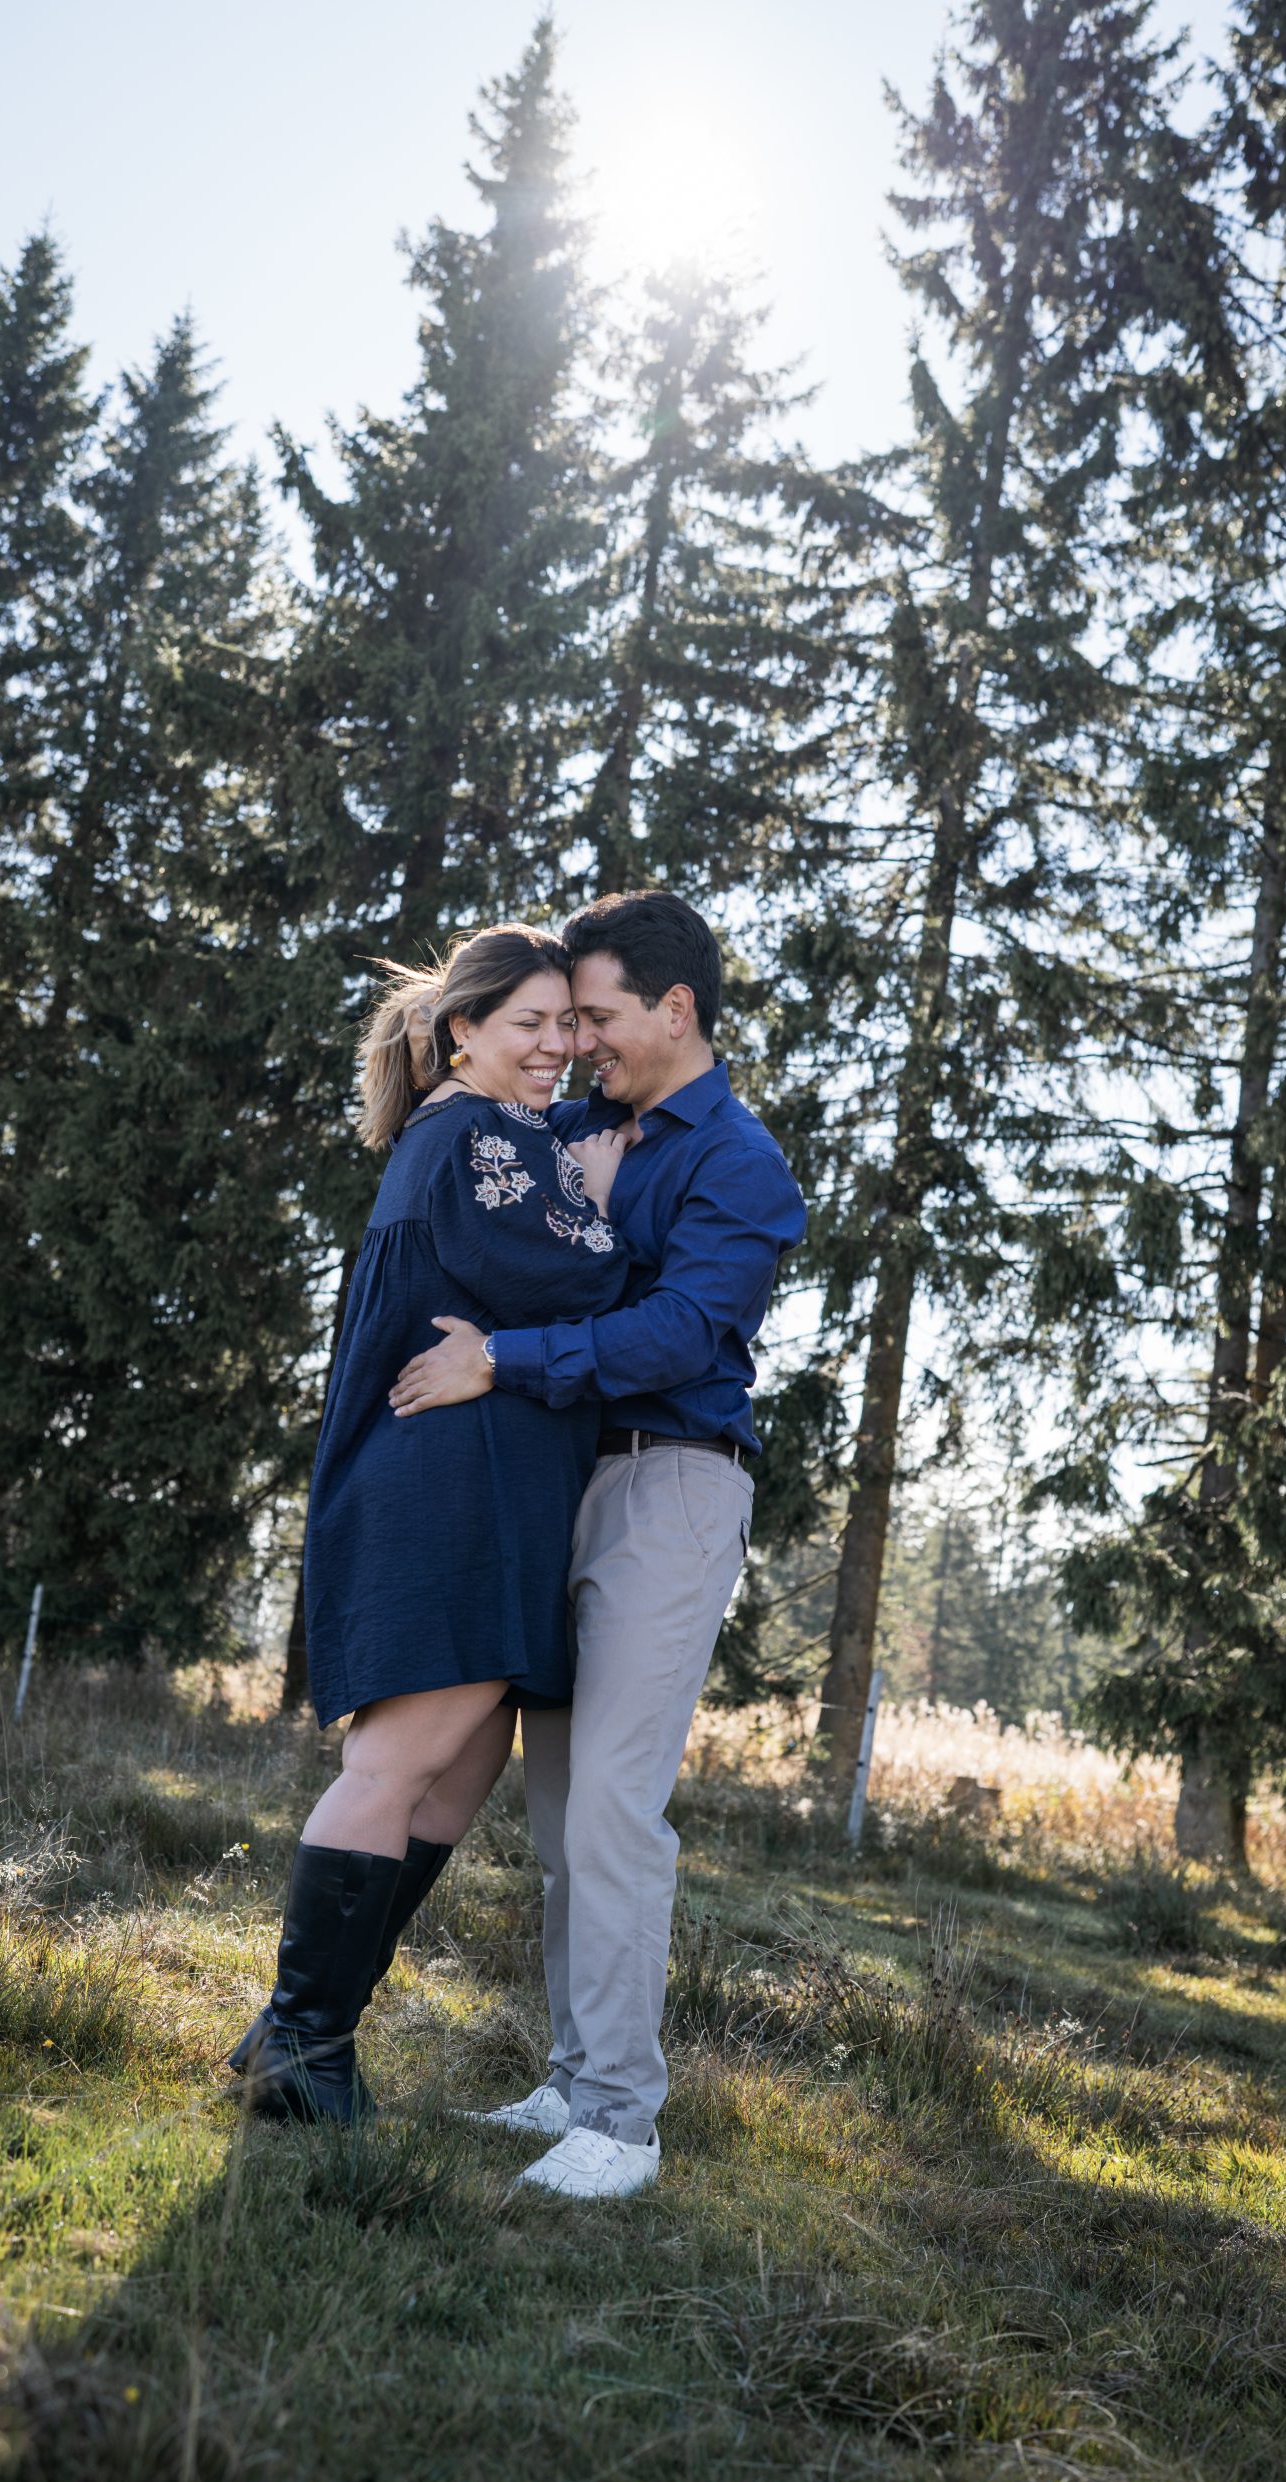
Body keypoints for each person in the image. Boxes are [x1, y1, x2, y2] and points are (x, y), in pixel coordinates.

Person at [390, 890, 807, 2197]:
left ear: (675, 1011)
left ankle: (623, 2123)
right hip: (555, 1479)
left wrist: (503, 1359)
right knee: (565, 1813)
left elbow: (680, 1334)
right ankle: (572, 2081)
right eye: (563, 1020)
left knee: (616, 1808)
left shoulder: (738, 1162)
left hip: (667, 1484)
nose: (577, 1042)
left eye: (597, 1016)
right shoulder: (570, 1126)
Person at [231, 924, 640, 2123]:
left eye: (569, 1024)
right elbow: (577, 1277)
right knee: (398, 1763)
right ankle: (302, 2048)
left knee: (457, 1776)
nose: (558, 1047)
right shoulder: (471, 1136)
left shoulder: (499, 1132)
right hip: (449, 1487)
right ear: (462, 1029)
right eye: (531, 1024)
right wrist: (600, 1197)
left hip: (499, 1486)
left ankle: (298, 2033)